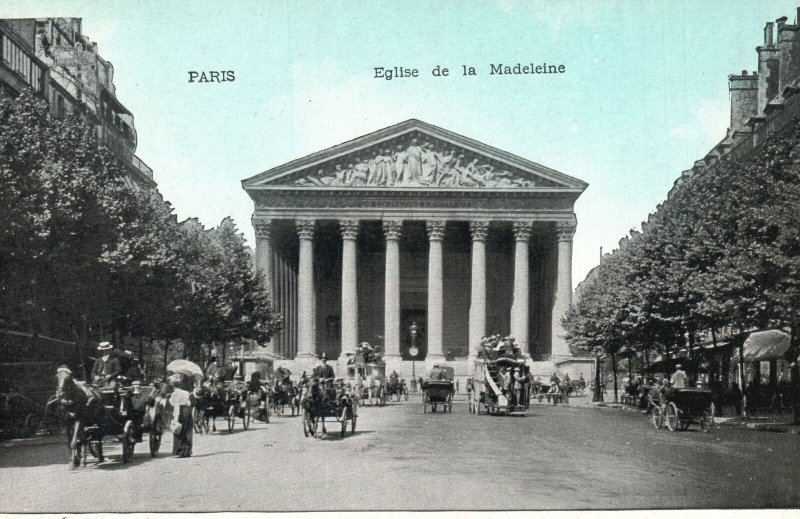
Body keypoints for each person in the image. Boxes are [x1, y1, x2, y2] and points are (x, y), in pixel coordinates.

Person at [167, 374, 193, 458]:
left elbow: (176, 405)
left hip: (180, 411)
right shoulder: (186, 392)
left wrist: (176, 418)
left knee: (178, 430)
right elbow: (189, 403)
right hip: (187, 411)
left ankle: (179, 451)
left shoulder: (175, 393)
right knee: (187, 430)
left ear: (173, 385)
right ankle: (187, 451)